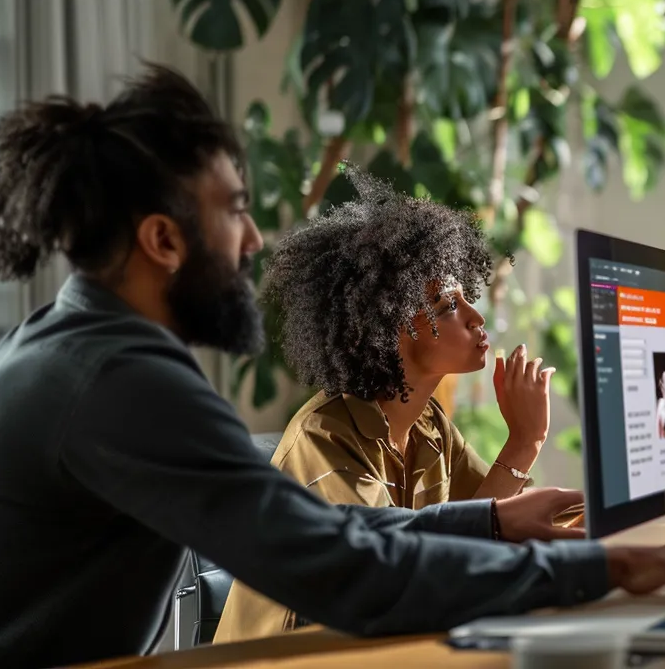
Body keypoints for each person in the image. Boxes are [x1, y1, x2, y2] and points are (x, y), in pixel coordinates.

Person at [0, 64, 665, 668]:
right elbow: (341, 570)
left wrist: (497, 525)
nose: (252, 242)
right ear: (161, 240)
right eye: (235, 212)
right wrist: (601, 567)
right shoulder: (114, 381)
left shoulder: (91, 351)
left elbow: (333, 539)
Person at [214, 170, 578, 641]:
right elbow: (389, 568)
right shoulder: (325, 439)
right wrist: (524, 442)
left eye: (467, 298)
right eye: (448, 307)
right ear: (385, 327)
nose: (476, 317)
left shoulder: (429, 425)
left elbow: (487, 527)